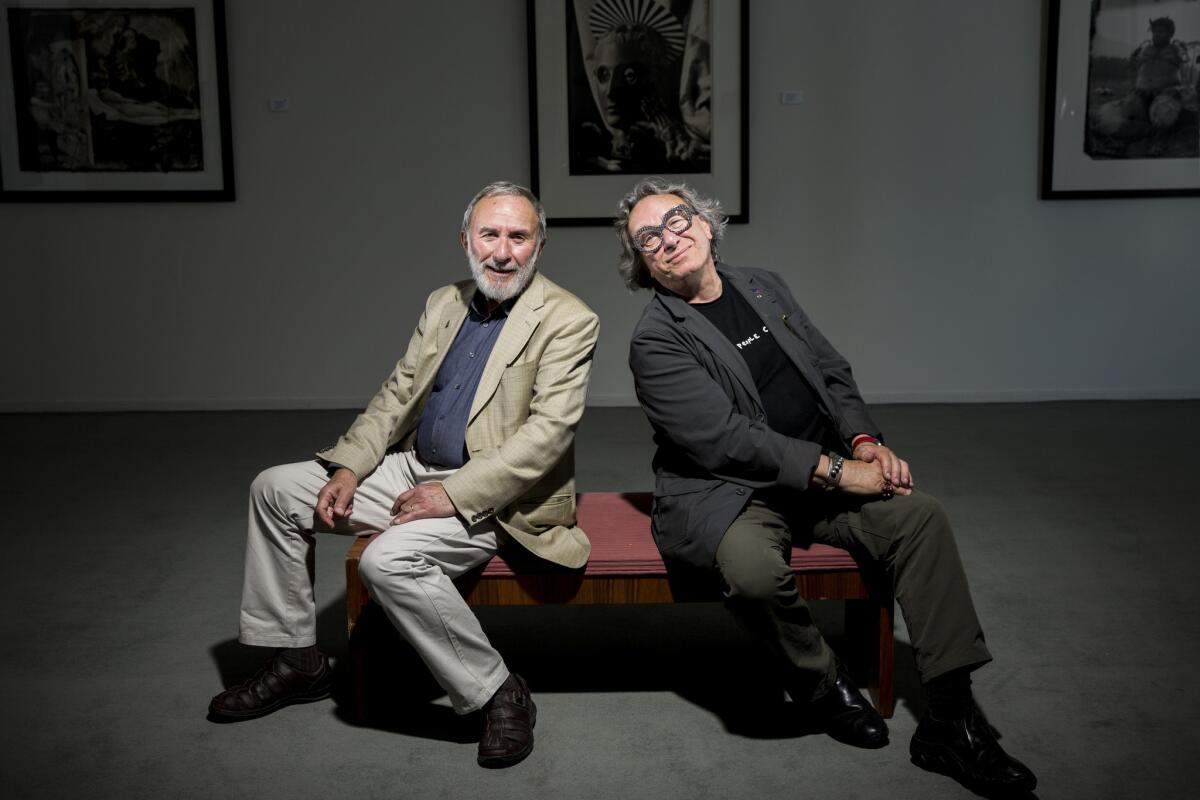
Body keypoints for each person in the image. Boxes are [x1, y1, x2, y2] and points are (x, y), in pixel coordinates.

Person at [615, 177, 1037, 796]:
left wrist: (865, 442)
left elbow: (831, 371)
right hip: (735, 493)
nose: (668, 238)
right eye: (648, 238)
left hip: (829, 474)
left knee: (922, 518)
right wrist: (842, 472)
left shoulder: (761, 285)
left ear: (705, 224)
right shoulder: (655, 339)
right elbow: (727, 441)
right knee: (752, 572)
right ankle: (821, 681)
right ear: (643, 264)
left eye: (676, 221)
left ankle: (950, 717)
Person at [209, 182, 600, 769]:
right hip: (414, 469)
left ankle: (498, 690)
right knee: (274, 489)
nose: (502, 251)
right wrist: (348, 466)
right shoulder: (444, 302)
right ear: (465, 239)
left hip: (497, 498)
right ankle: (296, 660)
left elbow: (546, 438)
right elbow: (395, 398)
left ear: (539, 244)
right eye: (489, 234)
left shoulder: (569, 319)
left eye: (518, 236)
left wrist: (453, 494)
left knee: (384, 560)